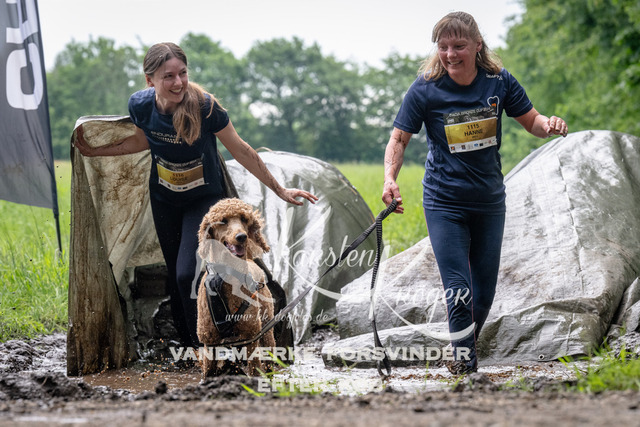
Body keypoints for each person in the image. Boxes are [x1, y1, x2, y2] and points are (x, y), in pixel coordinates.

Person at [75, 42, 318, 347]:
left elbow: (241, 149)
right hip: (164, 199)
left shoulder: (206, 107)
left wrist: (279, 189)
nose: (178, 82)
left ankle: (205, 344)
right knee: (175, 276)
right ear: (150, 80)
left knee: (185, 274)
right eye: (168, 76)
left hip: (202, 200)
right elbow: (141, 142)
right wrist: (96, 151)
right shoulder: (140, 105)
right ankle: (188, 346)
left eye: (183, 73)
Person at [381, 12, 568, 375]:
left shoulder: (499, 81)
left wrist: (549, 125)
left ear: (477, 45)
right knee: (458, 287)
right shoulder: (425, 88)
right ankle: (465, 365)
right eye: (443, 46)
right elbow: (398, 139)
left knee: (483, 294)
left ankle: (461, 348)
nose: (450, 54)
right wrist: (390, 177)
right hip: (444, 201)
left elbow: (532, 120)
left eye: (459, 46)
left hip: (489, 201)